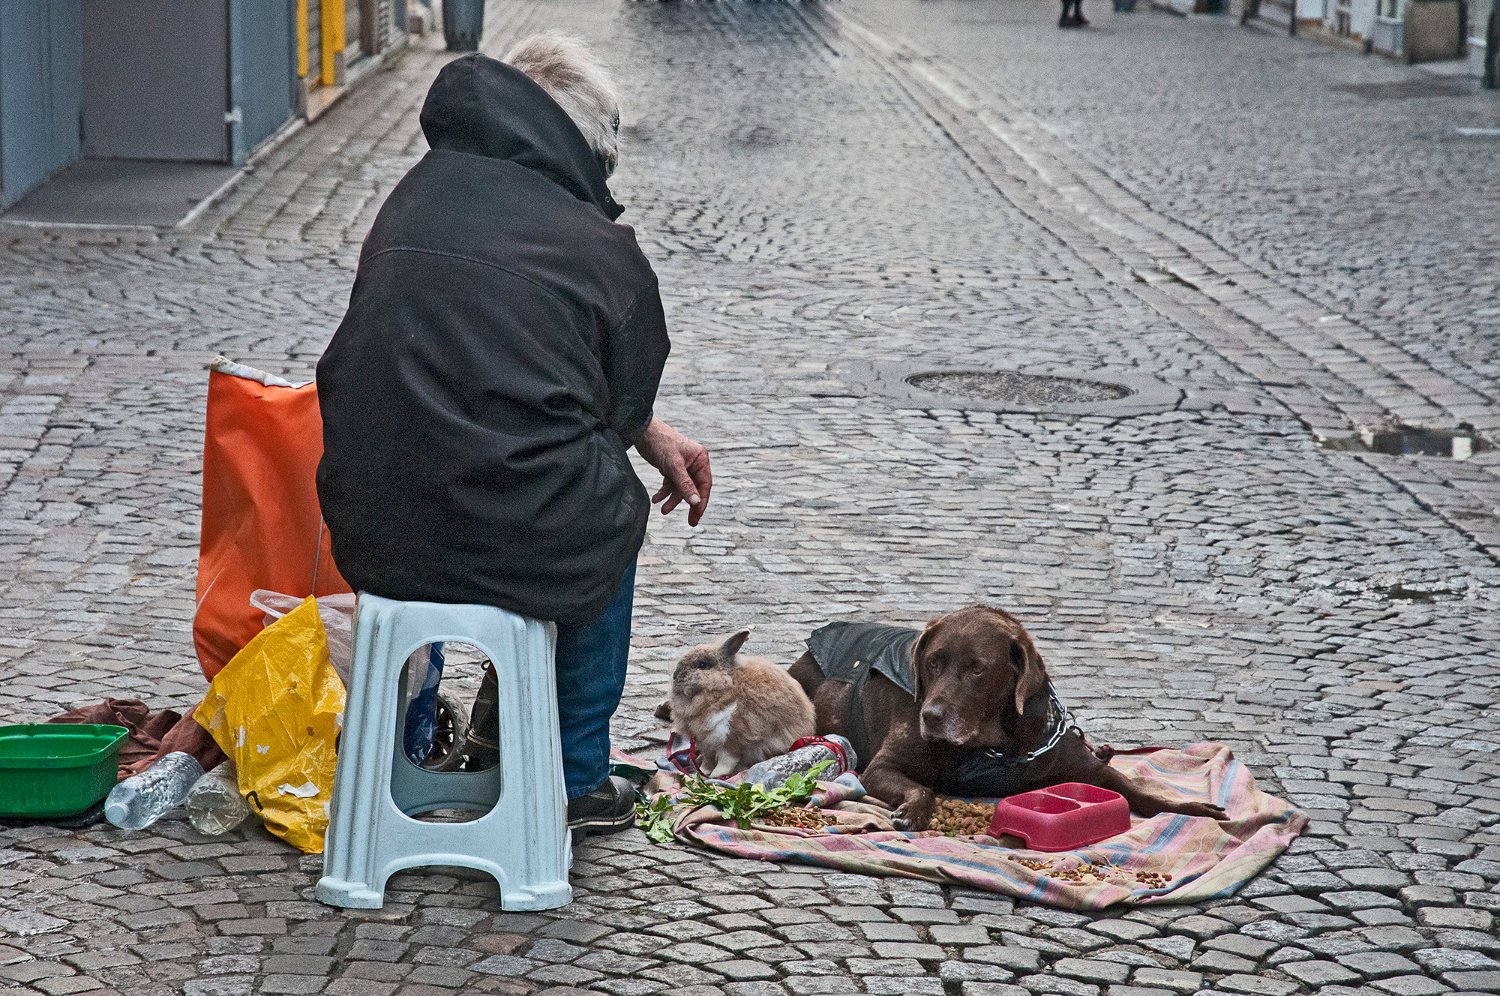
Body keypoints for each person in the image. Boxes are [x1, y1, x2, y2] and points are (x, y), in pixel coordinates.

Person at [315, 34, 712, 838]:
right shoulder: (597, 244)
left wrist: (651, 431)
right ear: (584, 145)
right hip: (514, 536)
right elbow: (615, 405)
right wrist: (640, 436)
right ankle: (574, 776)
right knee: (608, 506)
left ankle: (435, 739)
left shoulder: (411, 199)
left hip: (374, 522)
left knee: (521, 475)